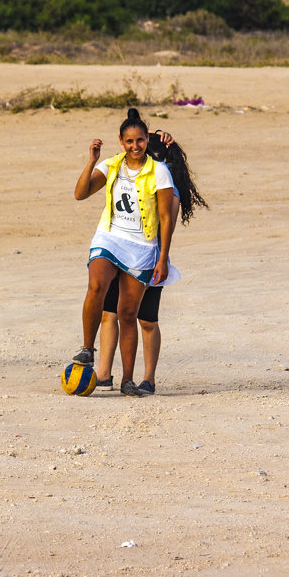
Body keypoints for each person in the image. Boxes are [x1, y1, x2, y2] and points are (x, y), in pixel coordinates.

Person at [71, 108, 176, 397]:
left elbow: (167, 217)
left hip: (142, 247)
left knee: (127, 314)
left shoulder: (160, 171)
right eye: (129, 141)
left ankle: (128, 380)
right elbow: (80, 193)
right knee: (96, 285)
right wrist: (92, 161)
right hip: (110, 237)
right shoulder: (111, 165)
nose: (135, 146)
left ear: (146, 141)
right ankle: (86, 349)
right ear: (121, 141)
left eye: (140, 141)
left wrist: (163, 257)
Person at [95, 130, 207, 394]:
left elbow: (165, 228)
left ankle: (149, 378)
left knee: (146, 320)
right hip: (121, 255)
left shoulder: (169, 190)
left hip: (150, 261)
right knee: (109, 314)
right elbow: (131, 129)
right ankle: (103, 373)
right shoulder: (134, 171)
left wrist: (161, 261)